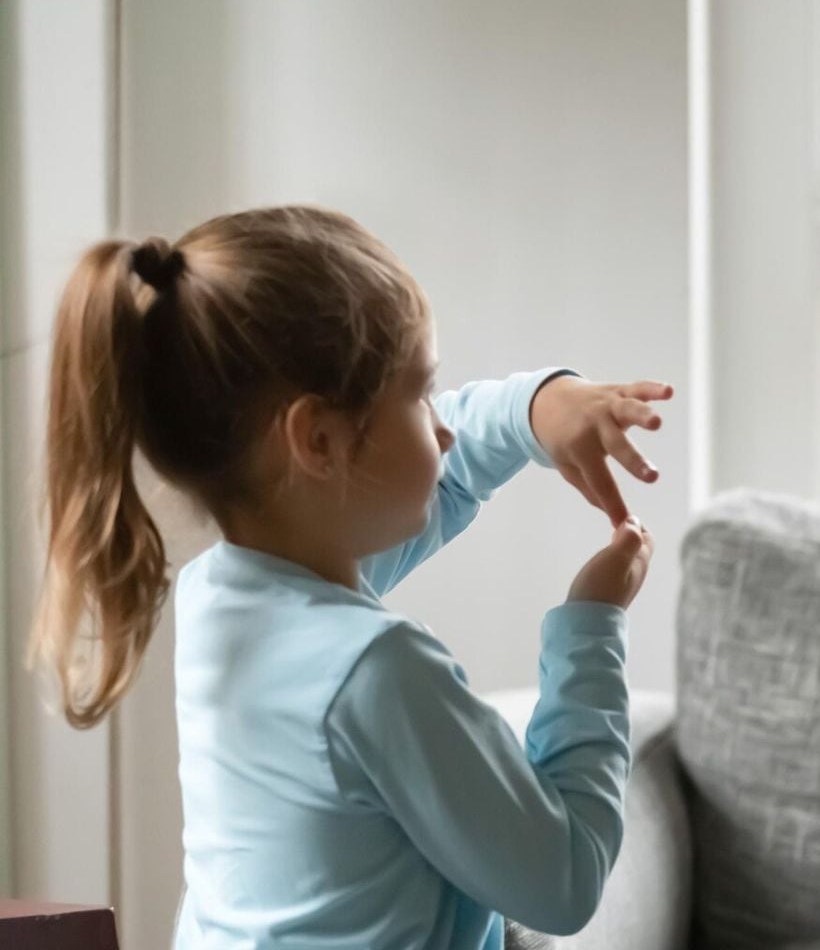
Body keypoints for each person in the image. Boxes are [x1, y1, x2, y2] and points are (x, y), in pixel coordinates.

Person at [30, 205, 673, 948]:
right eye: (421, 393)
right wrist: (592, 630)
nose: (444, 426)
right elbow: (564, 881)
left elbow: (442, 474)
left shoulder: (223, 595)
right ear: (319, 442)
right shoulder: (377, 672)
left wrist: (534, 409)